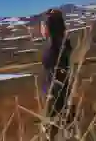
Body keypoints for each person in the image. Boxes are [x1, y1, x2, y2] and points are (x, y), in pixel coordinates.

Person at [40, 9, 74, 138]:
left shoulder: (54, 47)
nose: (41, 29)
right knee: (66, 127)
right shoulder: (62, 43)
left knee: (51, 131)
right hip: (59, 91)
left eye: (43, 25)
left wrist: (50, 99)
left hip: (55, 93)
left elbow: (56, 75)